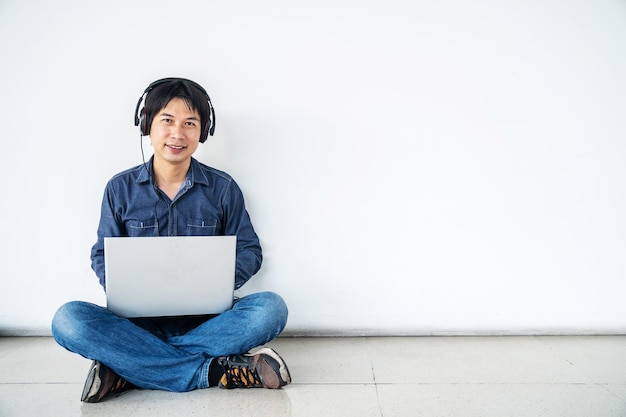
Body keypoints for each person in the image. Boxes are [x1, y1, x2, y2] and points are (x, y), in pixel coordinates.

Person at [51, 77, 291, 403]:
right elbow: (102, 254)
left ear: (203, 132)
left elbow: (249, 249)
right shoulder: (119, 189)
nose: (178, 133)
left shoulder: (223, 189)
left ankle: (127, 368)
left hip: (209, 322)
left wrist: (216, 282)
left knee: (271, 309)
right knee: (68, 320)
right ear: (147, 124)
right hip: (138, 325)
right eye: (167, 120)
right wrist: (127, 289)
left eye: (190, 123)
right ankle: (213, 371)